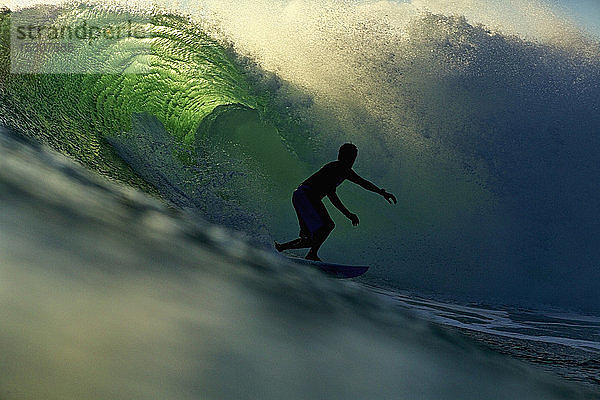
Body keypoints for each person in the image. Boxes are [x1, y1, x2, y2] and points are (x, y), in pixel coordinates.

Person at [275, 143, 397, 261]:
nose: (352, 161)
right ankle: (308, 253)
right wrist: (348, 214)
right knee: (326, 227)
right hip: (305, 196)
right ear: (342, 157)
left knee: (313, 235)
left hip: (305, 197)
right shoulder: (335, 168)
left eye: (353, 158)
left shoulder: (346, 171)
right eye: (350, 158)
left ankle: (282, 248)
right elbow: (331, 195)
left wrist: (382, 193)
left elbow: (363, 183)